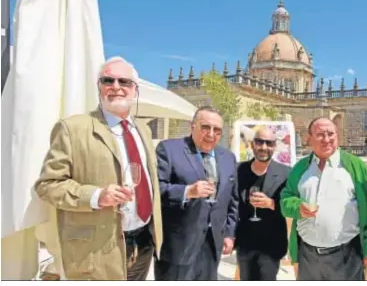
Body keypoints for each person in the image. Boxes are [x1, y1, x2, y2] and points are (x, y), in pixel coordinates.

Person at [34, 56, 163, 280]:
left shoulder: (142, 128)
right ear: (99, 87)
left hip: (143, 242)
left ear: (135, 90)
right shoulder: (72, 128)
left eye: (124, 82)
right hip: (97, 250)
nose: (116, 87)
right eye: (108, 80)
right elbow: (47, 185)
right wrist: (96, 196)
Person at [280, 117, 367, 280]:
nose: (326, 139)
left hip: (346, 256)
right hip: (307, 255)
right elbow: (285, 199)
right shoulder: (300, 168)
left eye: (330, 134)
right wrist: (297, 207)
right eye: (320, 134)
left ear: (337, 136)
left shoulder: (356, 167)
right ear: (309, 138)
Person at [154, 106, 239, 280]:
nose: (211, 134)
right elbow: (156, 190)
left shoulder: (228, 157)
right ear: (192, 126)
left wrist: (229, 233)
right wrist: (187, 191)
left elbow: (232, 200)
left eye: (217, 130)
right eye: (205, 127)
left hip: (212, 242)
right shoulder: (169, 150)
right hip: (179, 244)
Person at [235, 127, 291, 280]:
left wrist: (272, 204)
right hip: (245, 243)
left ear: (275, 146)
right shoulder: (239, 170)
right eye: (259, 142)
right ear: (252, 145)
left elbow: (290, 206)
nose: (264, 147)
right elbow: (232, 204)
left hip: (271, 244)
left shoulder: (286, 173)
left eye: (269, 143)